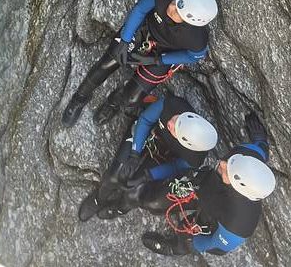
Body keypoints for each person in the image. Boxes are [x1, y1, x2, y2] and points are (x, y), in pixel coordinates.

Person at [60, 0, 217, 128]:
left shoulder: (196, 39)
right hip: (144, 31)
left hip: (165, 53)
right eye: (176, 2)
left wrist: (159, 60)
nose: (172, 7)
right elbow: (140, 10)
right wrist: (125, 40)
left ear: (190, 22)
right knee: (107, 64)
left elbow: (192, 57)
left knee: (132, 98)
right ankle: (79, 98)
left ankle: (114, 102)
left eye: (177, 12)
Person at [139, 112, 276, 257]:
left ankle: (176, 248)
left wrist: (194, 242)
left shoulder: (239, 226)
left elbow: (215, 247)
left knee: (187, 235)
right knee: (152, 202)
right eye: (230, 162)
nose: (222, 163)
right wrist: (260, 139)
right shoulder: (245, 155)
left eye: (226, 170)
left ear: (239, 187)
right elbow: (261, 150)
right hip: (203, 187)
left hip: (213, 216)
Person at [78, 92, 218, 222]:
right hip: (148, 135)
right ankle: (99, 198)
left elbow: (175, 166)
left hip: (164, 155)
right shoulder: (173, 105)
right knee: (114, 176)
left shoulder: (194, 158)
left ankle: (121, 208)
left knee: (134, 195)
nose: (171, 122)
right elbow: (145, 120)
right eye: (177, 119)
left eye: (175, 129)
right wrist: (134, 153)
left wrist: (148, 176)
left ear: (186, 143)